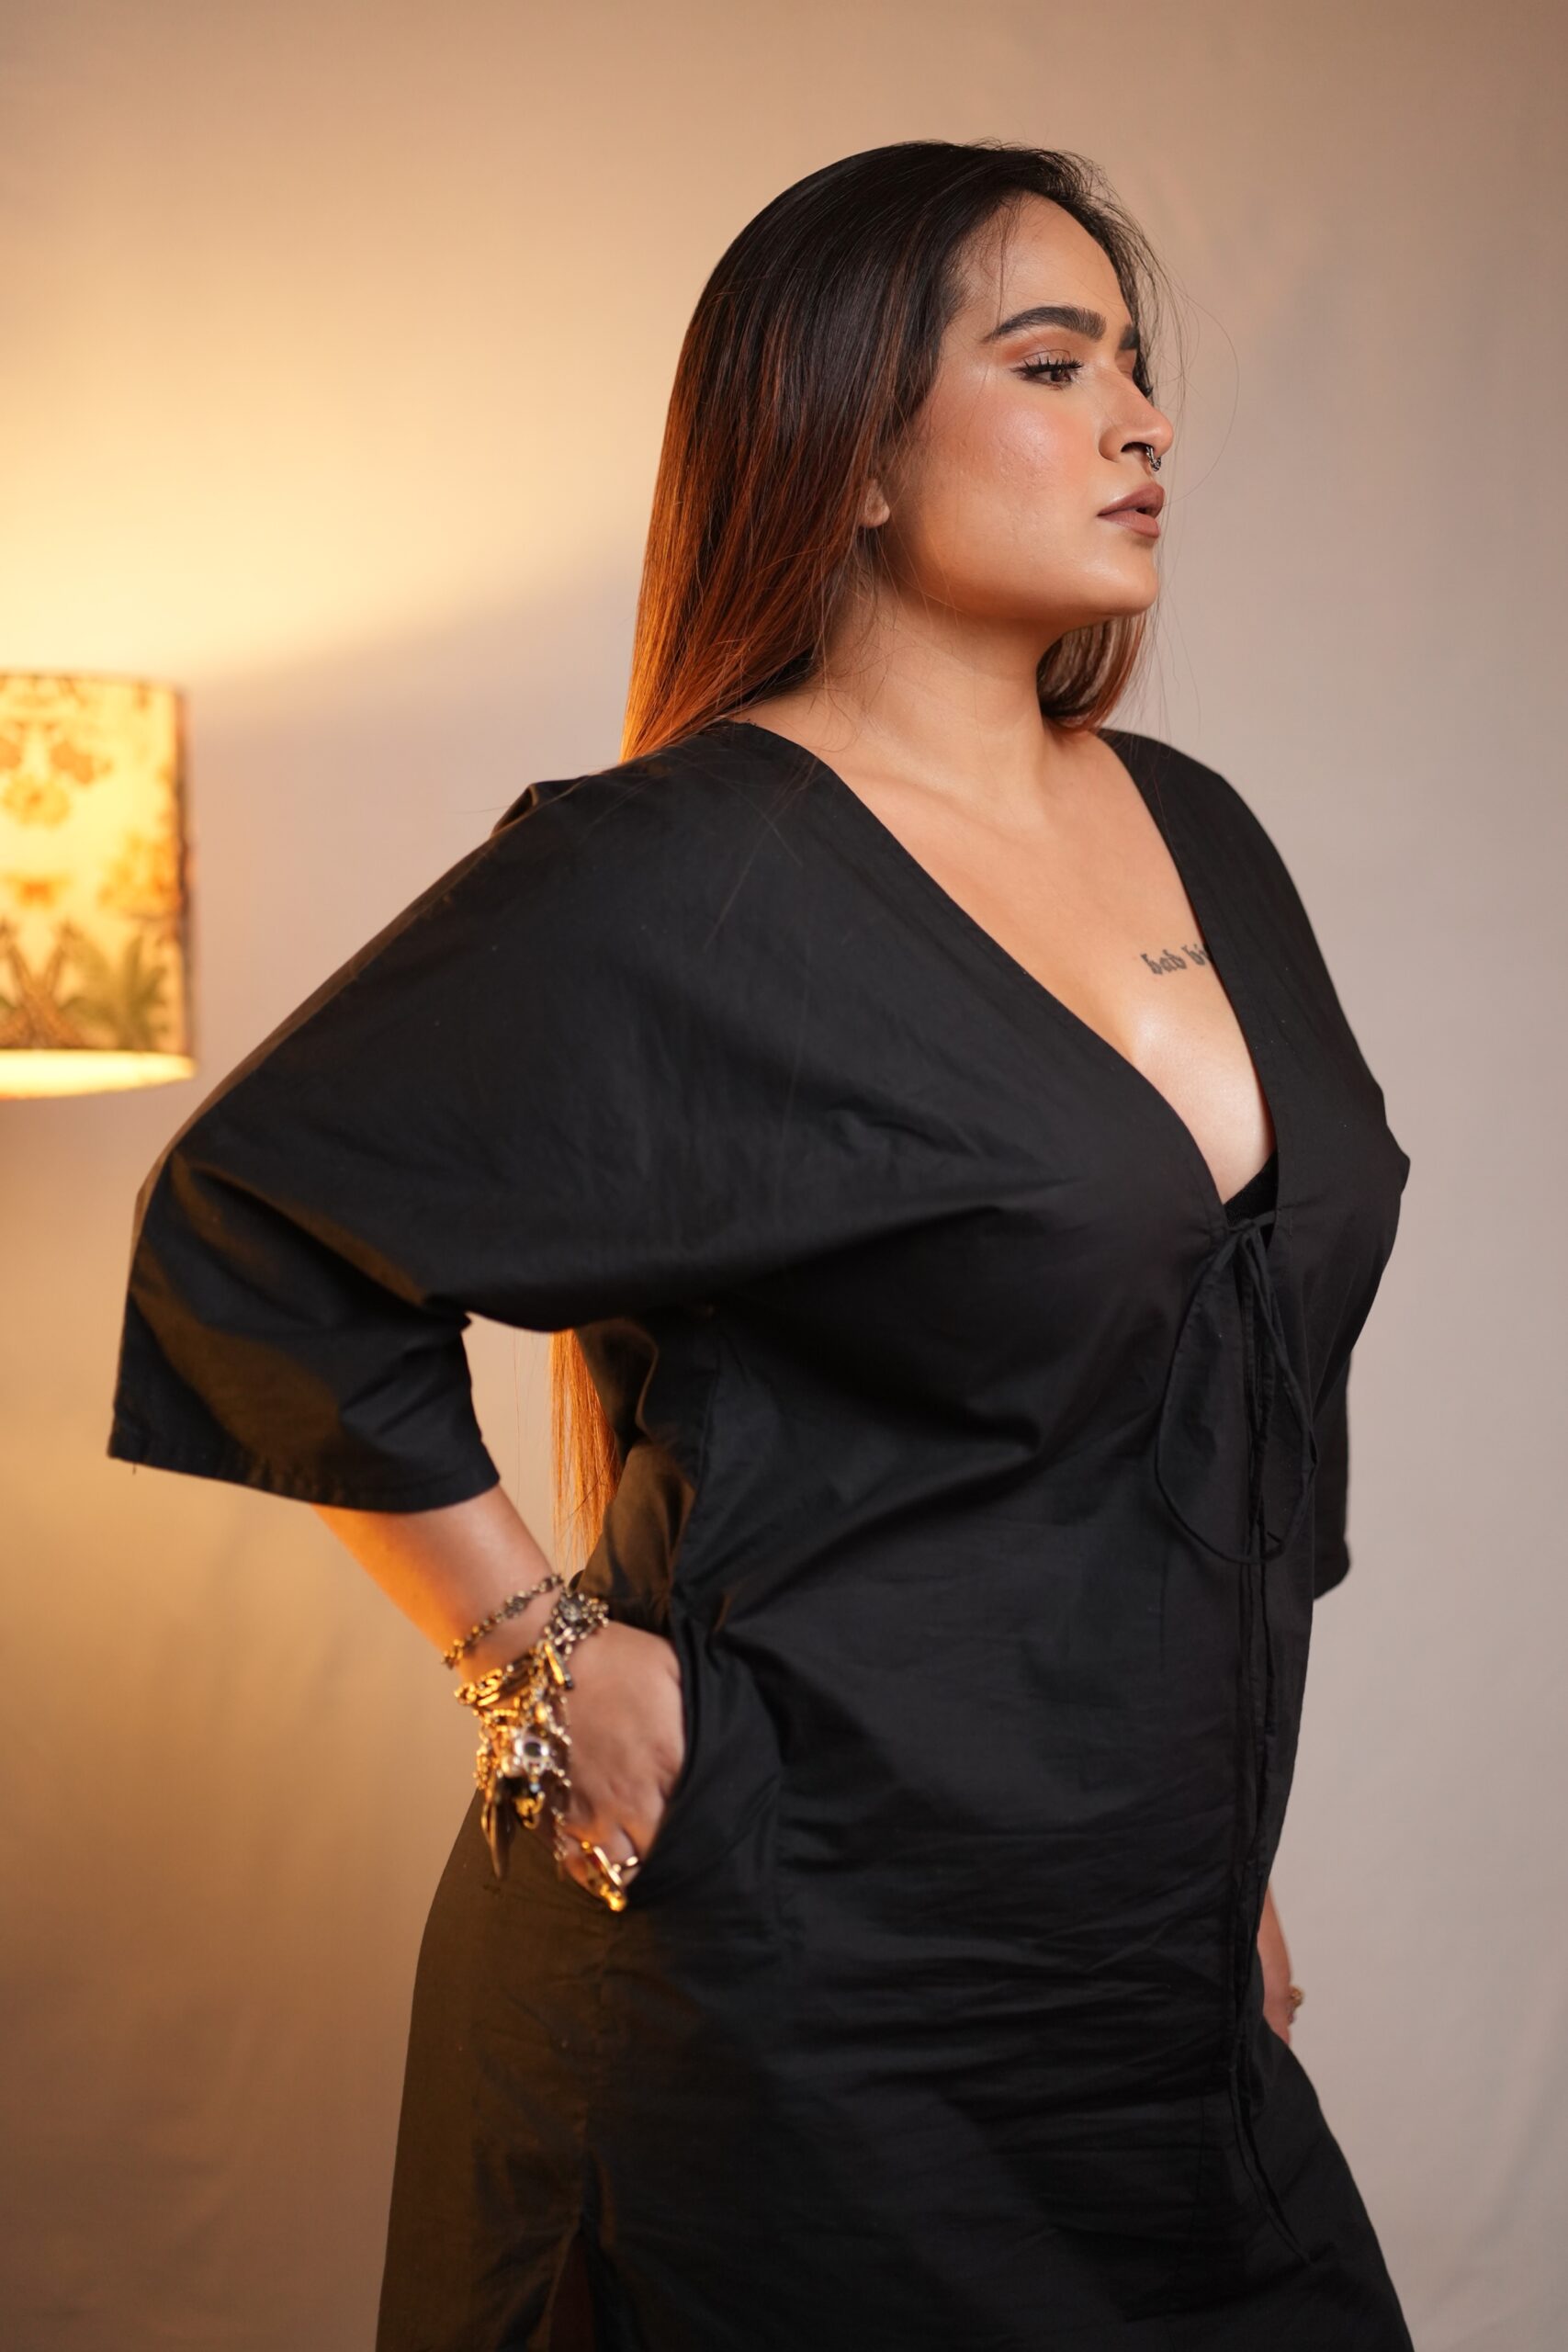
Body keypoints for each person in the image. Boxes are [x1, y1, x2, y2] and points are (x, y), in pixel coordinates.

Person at [105, 140, 1416, 2348]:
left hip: (1136, 1981)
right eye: (1050, 363)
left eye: (1133, 363)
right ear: (852, 449)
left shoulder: (1199, 829)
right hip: (780, 1986)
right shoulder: (675, 873)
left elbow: (1195, 1434)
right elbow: (249, 1230)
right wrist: (527, 1649)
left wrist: (1208, 1860)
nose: (1140, 419)